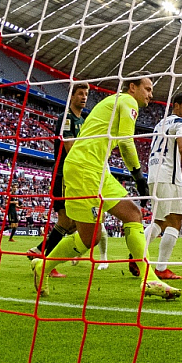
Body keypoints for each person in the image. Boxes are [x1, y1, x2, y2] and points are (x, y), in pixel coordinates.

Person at [30, 73, 181, 300]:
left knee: (131, 214)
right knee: (89, 238)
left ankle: (148, 278)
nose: (151, 94)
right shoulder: (127, 101)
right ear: (132, 87)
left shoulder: (113, 102)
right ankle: (44, 266)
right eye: (147, 89)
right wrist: (138, 175)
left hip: (96, 169)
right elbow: (126, 141)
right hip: (84, 168)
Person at [27, 83, 108, 278]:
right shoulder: (67, 118)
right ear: (71, 96)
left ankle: (39, 251)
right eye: (80, 93)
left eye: (86, 94)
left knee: (73, 223)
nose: (84, 97)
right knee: (66, 221)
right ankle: (45, 260)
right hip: (65, 175)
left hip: (75, 175)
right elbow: (70, 148)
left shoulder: (84, 120)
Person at [143, 91, 182, 281]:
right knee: (164, 221)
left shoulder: (160, 124)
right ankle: (145, 260)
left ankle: (154, 265)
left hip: (155, 173)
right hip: (168, 176)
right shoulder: (180, 122)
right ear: (176, 105)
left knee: (170, 220)